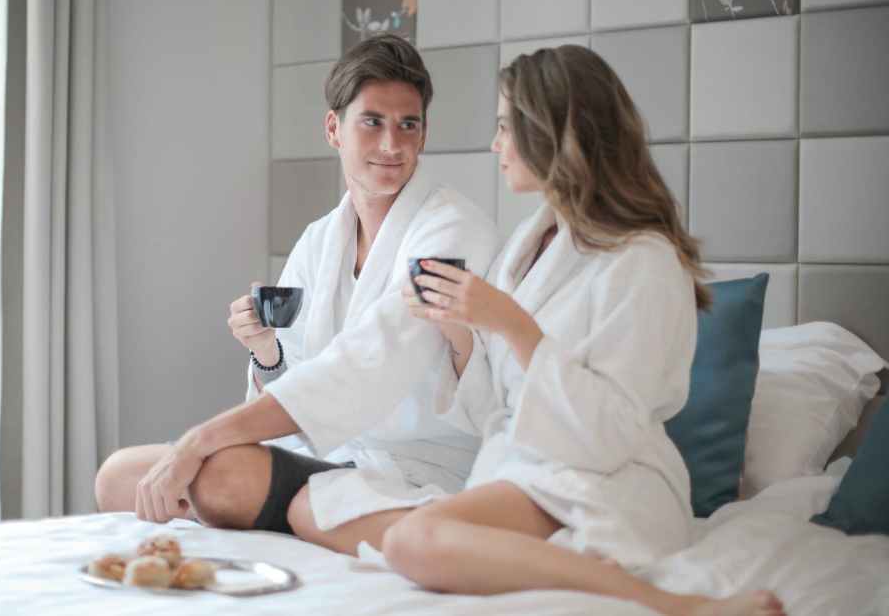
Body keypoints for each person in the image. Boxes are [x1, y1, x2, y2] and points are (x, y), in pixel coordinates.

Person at [288, 46, 785, 616]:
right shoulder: (526, 249)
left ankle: (678, 606)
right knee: (316, 507)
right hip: (520, 474)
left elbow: (613, 430)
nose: (495, 145)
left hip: (607, 482)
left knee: (409, 540)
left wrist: (511, 323)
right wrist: (460, 336)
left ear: (553, 133)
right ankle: (523, 562)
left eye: (505, 127)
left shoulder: (642, 260)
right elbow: (489, 409)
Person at [94, 34, 499, 543]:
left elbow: (368, 364)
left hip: (416, 466)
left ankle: (280, 508)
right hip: (324, 456)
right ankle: (277, 509)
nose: (392, 145)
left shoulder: (454, 230)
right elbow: (300, 380)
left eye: (408, 124)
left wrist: (200, 442)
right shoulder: (319, 241)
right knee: (118, 478)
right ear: (334, 128)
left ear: (423, 132)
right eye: (372, 122)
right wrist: (267, 353)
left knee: (220, 474)